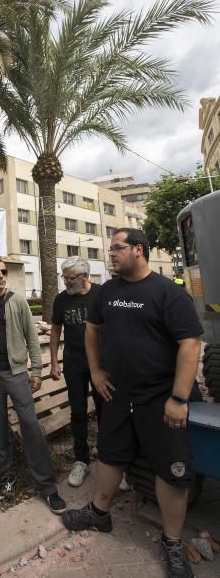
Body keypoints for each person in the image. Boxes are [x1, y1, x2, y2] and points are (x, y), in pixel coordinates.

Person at [62, 228, 203, 578]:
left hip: (161, 397)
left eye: (117, 248)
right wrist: (95, 370)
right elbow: (92, 329)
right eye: (110, 249)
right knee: (109, 454)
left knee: (171, 470)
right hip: (119, 394)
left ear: (138, 250)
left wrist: (179, 397)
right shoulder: (107, 292)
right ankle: (99, 513)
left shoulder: (168, 293)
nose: (110, 254)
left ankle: (172, 542)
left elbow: (190, 344)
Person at [0, 257, 67, 515]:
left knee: (30, 424)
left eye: (3, 272)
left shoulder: (18, 301)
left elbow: (32, 338)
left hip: (16, 373)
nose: (0, 276)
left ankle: (46, 484)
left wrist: (36, 370)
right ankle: (7, 475)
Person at [50, 257, 102, 487]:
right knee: (78, 411)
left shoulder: (101, 295)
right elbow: (55, 330)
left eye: (70, 278)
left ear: (84, 277)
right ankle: (81, 460)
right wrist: (54, 361)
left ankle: (110, 457)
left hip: (101, 364)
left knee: (106, 408)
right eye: (64, 277)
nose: (66, 282)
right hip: (74, 363)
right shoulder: (61, 300)